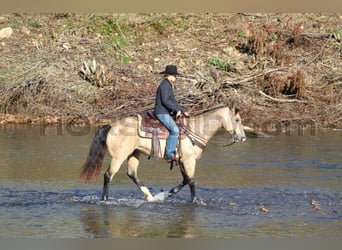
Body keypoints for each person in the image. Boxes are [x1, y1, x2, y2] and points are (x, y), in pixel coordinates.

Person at [154, 65, 189, 163]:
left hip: (165, 111)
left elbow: (173, 101)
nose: (175, 78)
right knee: (175, 131)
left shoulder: (168, 85)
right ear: (169, 75)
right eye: (174, 76)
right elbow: (166, 101)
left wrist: (181, 110)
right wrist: (176, 109)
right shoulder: (165, 85)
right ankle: (169, 154)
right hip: (161, 112)